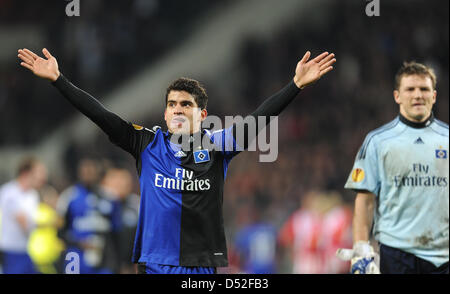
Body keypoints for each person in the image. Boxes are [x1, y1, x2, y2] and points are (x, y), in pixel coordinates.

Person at [17, 47, 336, 274]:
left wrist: (294, 86)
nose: (178, 109)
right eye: (172, 104)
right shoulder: (145, 143)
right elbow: (102, 116)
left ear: (203, 115)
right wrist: (59, 80)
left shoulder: (217, 144)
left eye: (186, 104)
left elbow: (258, 119)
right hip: (154, 263)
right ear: (165, 112)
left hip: (199, 265)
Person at [339, 62, 449, 274]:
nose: (418, 95)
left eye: (424, 89)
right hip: (396, 254)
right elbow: (365, 200)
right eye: (410, 89)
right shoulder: (377, 141)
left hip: (442, 254)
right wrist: (361, 247)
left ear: (434, 96)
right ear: (397, 96)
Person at [56, 158, 122, 274]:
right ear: (79, 173)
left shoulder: (110, 197)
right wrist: (78, 242)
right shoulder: (68, 197)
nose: (88, 174)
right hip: (75, 257)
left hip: (103, 258)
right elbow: (60, 232)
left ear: (97, 173)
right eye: (85, 171)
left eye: (91, 171)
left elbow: (117, 232)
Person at [0, 157, 48, 274]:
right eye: (39, 172)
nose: (43, 177)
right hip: (11, 251)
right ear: (26, 173)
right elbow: (23, 222)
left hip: (25, 249)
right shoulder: (9, 192)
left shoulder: (33, 195)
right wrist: (48, 224)